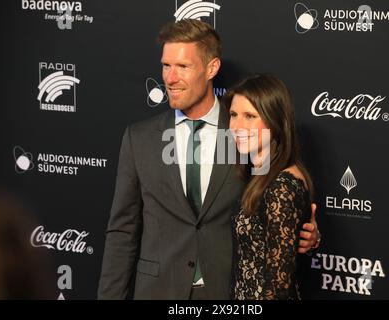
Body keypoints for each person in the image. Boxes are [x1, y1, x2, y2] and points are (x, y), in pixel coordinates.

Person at [98, 19, 320, 300]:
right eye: (166, 65)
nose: (170, 77)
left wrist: (307, 233)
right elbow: (122, 230)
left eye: (183, 67)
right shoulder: (139, 138)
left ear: (211, 68)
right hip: (159, 290)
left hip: (227, 291)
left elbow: (278, 190)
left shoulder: (244, 130)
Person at [226, 74, 313, 300]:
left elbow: (279, 287)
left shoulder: (282, 186)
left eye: (250, 116)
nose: (237, 126)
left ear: (274, 121)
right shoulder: (258, 173)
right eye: (233, 115)